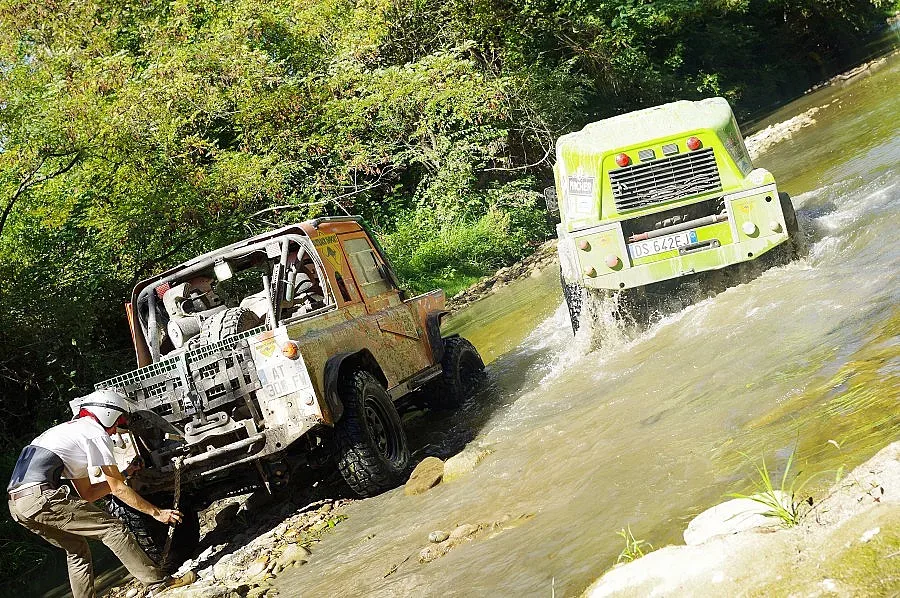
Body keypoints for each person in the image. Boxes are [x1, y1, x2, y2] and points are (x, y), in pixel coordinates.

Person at [7, 389, 186, 598]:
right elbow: (117, 488)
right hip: (41, 498)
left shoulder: (69, 433)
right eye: (118, 422)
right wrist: (157, 513)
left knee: (76, 550)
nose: (116, 431)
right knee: (113, 529)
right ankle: (158, 582)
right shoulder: (95, 433)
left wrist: (126, 472)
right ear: (108, 415)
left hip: (18, 507)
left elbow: (88, 493)